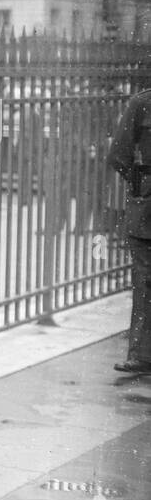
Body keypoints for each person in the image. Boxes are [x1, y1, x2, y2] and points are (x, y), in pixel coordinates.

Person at [107, 87, 151, 373]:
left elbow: (119, 156)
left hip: (147, 204)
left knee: (146, 281)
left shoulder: (142, 102)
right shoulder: (142, 102)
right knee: (145, 279)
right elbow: (119, 155)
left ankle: (143, 354)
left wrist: (140, 184)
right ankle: (143, 354)